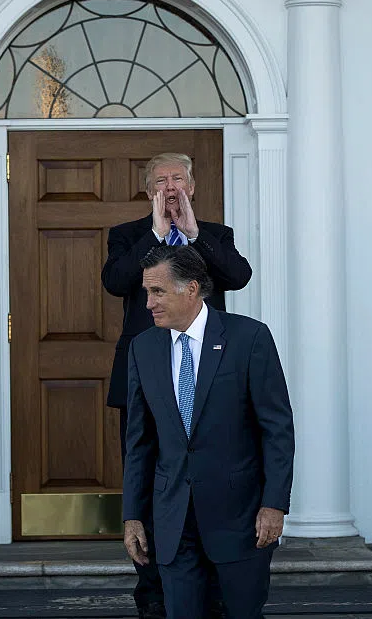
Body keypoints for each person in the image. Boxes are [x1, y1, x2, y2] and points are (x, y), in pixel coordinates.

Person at [101, 152, 252, 618]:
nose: (171, 187)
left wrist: (193, 233)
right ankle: (153, 594)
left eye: (179, 179)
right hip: (147, 378)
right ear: (149, 189)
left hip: (209, 381)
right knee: (148, 476)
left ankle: (212, 587)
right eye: (162, 180)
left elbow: (238, 276)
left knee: (208, 475)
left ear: (192, 187)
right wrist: (154, 232)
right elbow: (116, 282)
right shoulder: (128, 235)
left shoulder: (214, 235)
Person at [122, 245, 294, 619]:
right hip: (172, 520)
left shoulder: (249, 338)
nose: (148, 303)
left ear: (191, 289)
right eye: (147, 292)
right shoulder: (142, 348)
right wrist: (132, 515)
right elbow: (139, 442)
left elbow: (277, 430)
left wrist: (274, 504)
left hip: (240, 520)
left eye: (157, 291)